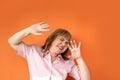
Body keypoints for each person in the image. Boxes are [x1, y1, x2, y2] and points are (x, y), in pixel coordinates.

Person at [8, 22, 90, 80]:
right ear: (52, 39)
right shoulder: (34, 51)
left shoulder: (67, 63)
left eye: (66, 43)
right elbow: (12, 42)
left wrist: (79, 58)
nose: (64, 44)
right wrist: (28, 30)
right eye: (61, 40)